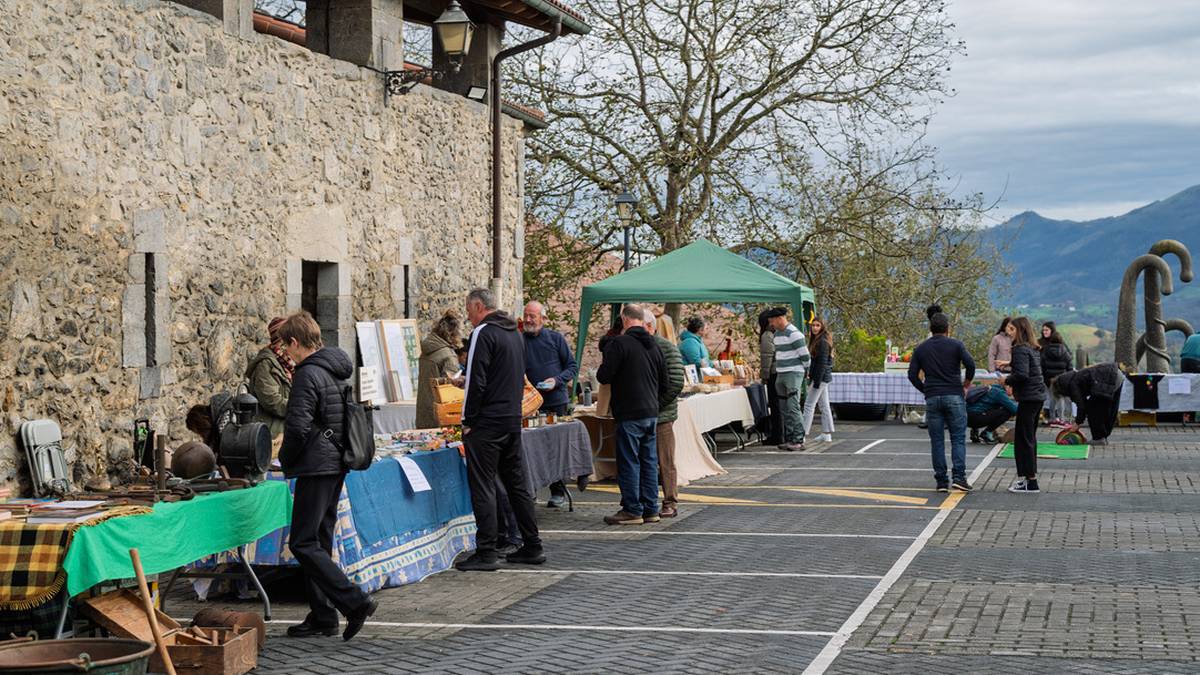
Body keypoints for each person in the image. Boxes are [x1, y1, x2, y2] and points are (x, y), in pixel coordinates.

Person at [276, 311, 377, 641]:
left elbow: (298, 425)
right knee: (319, 540)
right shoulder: (334, 368)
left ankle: (354, 601)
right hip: (334, 461)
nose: (285, 355)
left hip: (317, 464)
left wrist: (284, 458)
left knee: (303, 542)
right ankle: (323, 616)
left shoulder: (308, 373)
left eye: (285, 347)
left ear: (295, 342)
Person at [455, 288, 545, 570]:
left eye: (469, 310)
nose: (468, 317)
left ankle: (487, 551)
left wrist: (468, 420)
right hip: (510, 417)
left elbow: (476, 382)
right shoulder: (515, 333)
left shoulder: (483, 332)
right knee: (516, 484)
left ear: (479, 306)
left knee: (483, 485)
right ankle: (532, 545)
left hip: (487, 421)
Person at [596, 304, 669, 525]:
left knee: (629, 462)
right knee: (648, 461)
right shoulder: (654, 346)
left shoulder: (620, 344)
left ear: (625, 320)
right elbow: (665, 384)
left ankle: (632, 509)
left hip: (629, 412)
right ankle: (651, 508)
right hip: (651, 412)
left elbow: (603, 376)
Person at [907, 312, 975, 492]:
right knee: (958, 438)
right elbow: (971, 365)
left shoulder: (921, 349)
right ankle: (959, 477)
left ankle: (941, 481)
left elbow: (912, 375)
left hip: (932, 397)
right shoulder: (956, 345)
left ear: (930, 329)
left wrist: (926, 390)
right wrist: (966, 384)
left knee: (937, 441)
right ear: (948, 329)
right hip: (954, 394)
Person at [521, 300, 579, 508]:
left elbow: (572, 366)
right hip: (528, 405)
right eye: (526, 315)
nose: (528, 320)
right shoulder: (518, 341)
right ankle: (531, 491)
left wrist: (557, 380)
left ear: (543, 319)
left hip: (556, 402)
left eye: (532, 316)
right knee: (530, 449)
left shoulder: (555, 339)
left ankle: (558, 491)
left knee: (555, 448)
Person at [645, 308, 685, 518]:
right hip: (644, 413)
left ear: (650, 326)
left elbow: (677, 381)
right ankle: (648, 501)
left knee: (665, 461)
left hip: (662, 415)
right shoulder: (640, 346)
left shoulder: (667, 348)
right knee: (647, 461)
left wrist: (656, 405)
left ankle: (670, 501)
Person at [1003, 317, 1046, 493]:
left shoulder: (1020, 349)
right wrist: (1009, 365)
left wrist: (1006, 380)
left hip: (1028, 398)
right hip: (1037, 396)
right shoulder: (1032, 348)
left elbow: (1022, 375)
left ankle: (1031, 481)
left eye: (1012, 329)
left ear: (1019, 331)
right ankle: (1028, 478)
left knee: (1024, 440)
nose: (1008, 333)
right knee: (1028, 438)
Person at [244, 317, 294, 449]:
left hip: (285, 428)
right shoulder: (265, 365)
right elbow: (271, 401)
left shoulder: (289, 363)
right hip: (271, 432)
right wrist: (299, 408)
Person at [768, 307, 810, 451]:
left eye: (772, 321)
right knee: (784, 408)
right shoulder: (777, 334)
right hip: (781, 373)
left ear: (780, 319)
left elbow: (805, 356)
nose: (771, 324)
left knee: (793, 406)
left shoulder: (794, 334)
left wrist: (804, 371)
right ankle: (790, 438)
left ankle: (799, 439)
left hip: (793, 373)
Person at [1052, 363, 1124, 445]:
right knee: (1109, 409)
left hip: (1108, 377)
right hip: (1116, 373)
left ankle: (1098, 438)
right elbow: (1083, 404)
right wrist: (1079, 421)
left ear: (1062, 389)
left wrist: (1077, 423)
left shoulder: (1072, 385)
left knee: (1093, 409)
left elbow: (1081, 406)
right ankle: (1103, 437)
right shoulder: (1075, 377)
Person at [415, 312, 462, 429]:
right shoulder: (448, 356)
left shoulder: (427, 351)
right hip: (440, 416)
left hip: (423, 409)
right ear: (453, 334)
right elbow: (452, 390)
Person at [802, 317, 835, 442]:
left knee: (809, 405)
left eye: (817, 325)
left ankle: (802, 434)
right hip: (823, 378)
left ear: (822, 327)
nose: (815, 328)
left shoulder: (822, 342)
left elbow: (822, 363)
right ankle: (827, 433)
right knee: (824, 405)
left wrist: (816, 382)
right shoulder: (819, 340)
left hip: (820, 378)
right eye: (813, 325)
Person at [1039, 323, 1074, 426]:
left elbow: (1042, 366)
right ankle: (1064, 419)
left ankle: (1052, 418)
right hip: (1062, 379)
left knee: (1052, 399)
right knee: (1063, 398)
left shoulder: (1045, 351)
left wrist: (1045, 378)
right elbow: (1070, 367)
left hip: (1049, 379)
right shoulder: (1065, 352)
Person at [758, 310, 783, 445]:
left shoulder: (767, 335)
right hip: (781, 370)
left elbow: (767, 357)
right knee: (780, 404)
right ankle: (781, 434)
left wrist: (764, 375)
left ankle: (777, 436)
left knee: (775, 405)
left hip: (773, 373)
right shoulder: (778, 333)